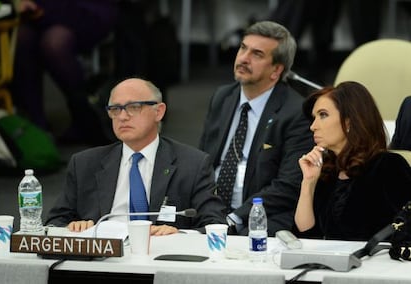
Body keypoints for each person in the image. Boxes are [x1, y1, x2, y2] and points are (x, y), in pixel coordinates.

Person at [45, 77, 226, 235]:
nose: (123, 116)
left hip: (159, 262)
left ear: (159, 111)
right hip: (102, 262)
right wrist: (73, 226)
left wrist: (180, 233)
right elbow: (54, 222)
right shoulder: (85, 163)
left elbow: (215, 224)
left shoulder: (192, 164)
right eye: (115, 109)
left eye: (134, 107)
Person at [199, 21, 313, 236]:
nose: (243, 58)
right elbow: (202, 162)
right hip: (210, 211)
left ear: (276, 70)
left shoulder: (296, 112)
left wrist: (234, 218)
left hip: (261, 217)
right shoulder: (222, 97)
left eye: (257, 54)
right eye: (243, 48)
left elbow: (288, 186)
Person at [295, 81, 411, 241]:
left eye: (323, 115)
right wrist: (308, 184)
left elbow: (405, 231)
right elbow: (305, 237)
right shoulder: (327, 171)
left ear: (349, 121)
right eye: (314, 118)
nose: (313, 126)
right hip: (330, 264)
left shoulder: (388, 166)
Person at [11, 0, 117, 145]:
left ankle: (85, 115)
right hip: (40, 13)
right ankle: (36, 126)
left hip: (86, 11)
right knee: (21, 38)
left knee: (54, 43)